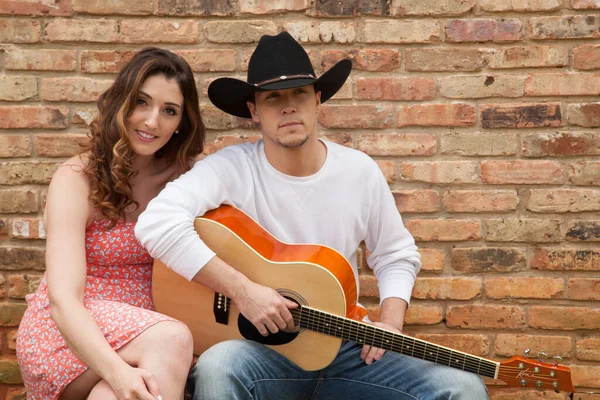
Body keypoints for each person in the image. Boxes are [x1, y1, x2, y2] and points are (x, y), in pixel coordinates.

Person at [136, 32, 489, 399]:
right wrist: (243, 292)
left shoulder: (358, 172)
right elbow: (156, 223)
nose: (288, 107)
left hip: (347, 348)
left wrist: (391, 323)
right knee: (217, 366)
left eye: (299, 93)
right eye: (273, 98)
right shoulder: (230, 168)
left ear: (317, 100)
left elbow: (395, 253)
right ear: (254, 111)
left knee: (462, 386)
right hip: (260, 355)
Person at [16, 47, 205, 400]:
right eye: (142, 103)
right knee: (172, 339)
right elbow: (64, 301)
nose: (152, 121)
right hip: (68, 335)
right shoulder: (77, 178)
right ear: (122, 103)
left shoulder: (188, 180)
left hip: (146, 338)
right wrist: (119, 373)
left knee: (113, 393)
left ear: (182, 123)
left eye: (169, 111)